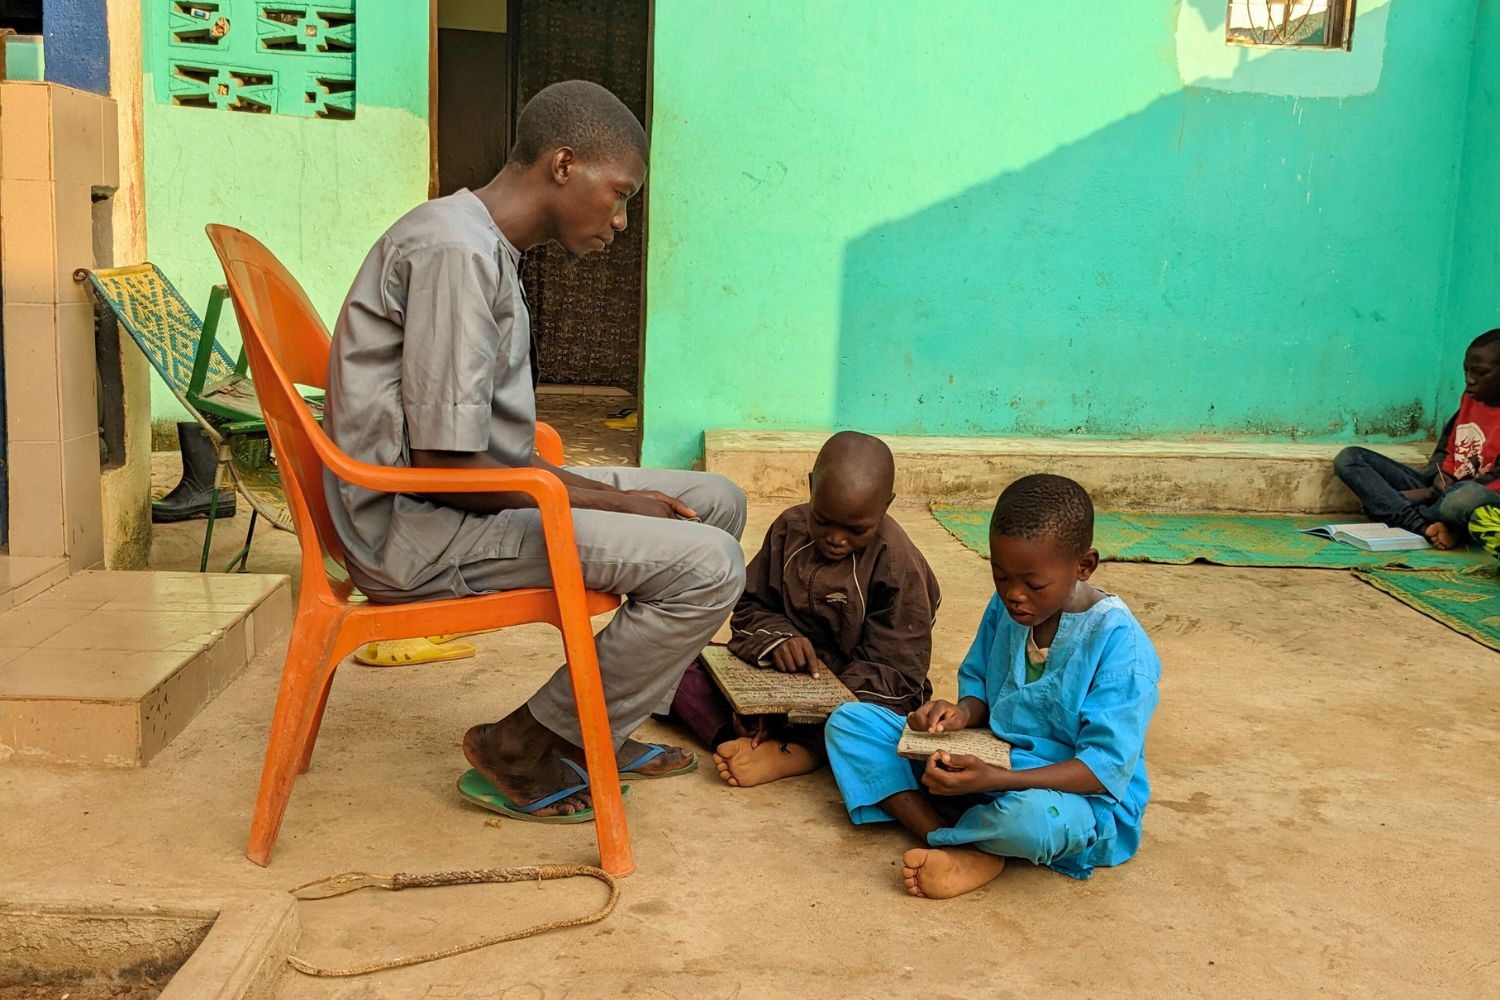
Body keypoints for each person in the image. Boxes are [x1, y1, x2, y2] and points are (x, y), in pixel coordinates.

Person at [323, 80, 747, 821]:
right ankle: (522, 743)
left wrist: (603, 494)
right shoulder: (455, 250)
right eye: (618, 196)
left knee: (717, 501)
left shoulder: (480, 243)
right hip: (418, 533)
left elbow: (487, 450)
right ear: (563, 163)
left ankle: (597, 725)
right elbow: (450, 470)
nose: (619, 222)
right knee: (710, 565)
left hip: (461, 498)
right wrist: (616, 500)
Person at [823, 474, 1162, 899]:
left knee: (1033, 821)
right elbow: (982, 682)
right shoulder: (1008, 606)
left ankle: (961, 842)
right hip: (992, 759)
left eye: (1033, 584)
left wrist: (996, 780)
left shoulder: (1121, 648)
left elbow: (1101, 771)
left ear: (1084, 566)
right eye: (1000, 577)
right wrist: (960, 713)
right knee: (850, 723)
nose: (1014, 595)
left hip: (1074, 797)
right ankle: (949, 837)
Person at [669, 431, 940, 787]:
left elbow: (898, 669)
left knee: (874, 722)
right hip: (777, 678)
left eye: (856, 530)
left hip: (855, 691)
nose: (836, 538)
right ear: (812, 487)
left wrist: (811, 706)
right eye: (824, 520)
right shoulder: (788, 530)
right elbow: (750, 606)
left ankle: (800, 749)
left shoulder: (897, 564)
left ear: (885, 506)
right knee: (672, 660)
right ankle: (736, 736)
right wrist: (778, 641)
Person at [1334, 330, 1500, 549]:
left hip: (1478, 498)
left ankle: (1397, 510)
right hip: (1441, 490)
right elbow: (1444, 450)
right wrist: (1438, 477)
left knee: (1462, 500)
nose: (1469, 380)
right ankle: (1425, 525)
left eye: (1480, 372)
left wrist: (1430, 494)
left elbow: (1493, 481)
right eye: (1466, 371)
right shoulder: (1471, 399)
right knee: (1350, 458)